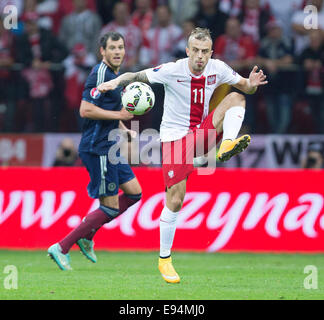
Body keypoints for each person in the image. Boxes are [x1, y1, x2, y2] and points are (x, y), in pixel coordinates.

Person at [97, 27, 267, 283]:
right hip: (174, 139)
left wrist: (252, 85)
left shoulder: (218, 68)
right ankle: (164, 259)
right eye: (195, 51)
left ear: (211, 52)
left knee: (235, 97)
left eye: (204, 52)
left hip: (201, 132)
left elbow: (246, 87)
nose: (200, 56)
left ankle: (226, 145)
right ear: (188, 51)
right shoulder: (173, 70)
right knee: (176, 199)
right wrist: (115, 81)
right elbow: (138, 75)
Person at [47, 31, 142, 271]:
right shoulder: (100, 74)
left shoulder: (114, 75)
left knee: (134, 193)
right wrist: (120, 116)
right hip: (97, 147)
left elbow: (105, 108)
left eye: (120, 47)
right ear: (103, 51)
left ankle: (87, 237)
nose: (118, 51)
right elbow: (86, 110)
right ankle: (61, 246)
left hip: (109, 145)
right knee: (109, 206)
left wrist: (123, 128)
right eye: (112, 48)